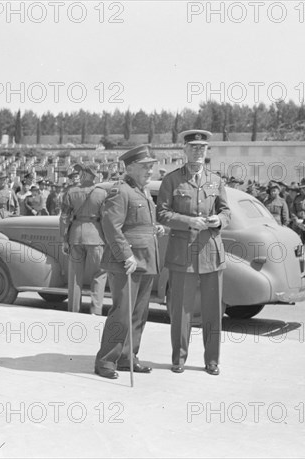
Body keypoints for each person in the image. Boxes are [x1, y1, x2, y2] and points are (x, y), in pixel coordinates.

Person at [156, 130, 231, 376]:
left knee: (212, 311)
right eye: (194, 148)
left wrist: (217, 220)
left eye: (203, 148)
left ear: (207, 152)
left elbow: (226, 212)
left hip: (211, 252)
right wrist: (189, 221)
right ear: (185, 150)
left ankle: (212, 360)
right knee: (180, 310)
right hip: (183, 254)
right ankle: (178, 358)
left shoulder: (216, 181)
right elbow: (162, 214)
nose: (199, 152)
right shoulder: (172, 180)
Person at [94, 145, 163, 380]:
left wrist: (155, 229)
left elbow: (138, 224)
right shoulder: (120, 191)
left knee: (138, 314)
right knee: (122, 313)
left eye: (151, 165)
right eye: (145, 166)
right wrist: (126, 255)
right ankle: (106, 361)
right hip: (127, 261)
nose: (150, 170)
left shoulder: (142, 192)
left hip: (146, 259)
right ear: (130, 167)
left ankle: (128, 357)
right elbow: (111, 226)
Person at [60, 163, 108, 315]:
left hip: (76, 236)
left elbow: (64, 218)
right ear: (94, 177)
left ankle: (74, 310)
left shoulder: (71, 192)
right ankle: (96, 311)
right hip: (96, 236)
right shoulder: (102, 193)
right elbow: (106, 218)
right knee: (99, 275)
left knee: (74, 276)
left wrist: (64, 239)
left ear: (84, 175)